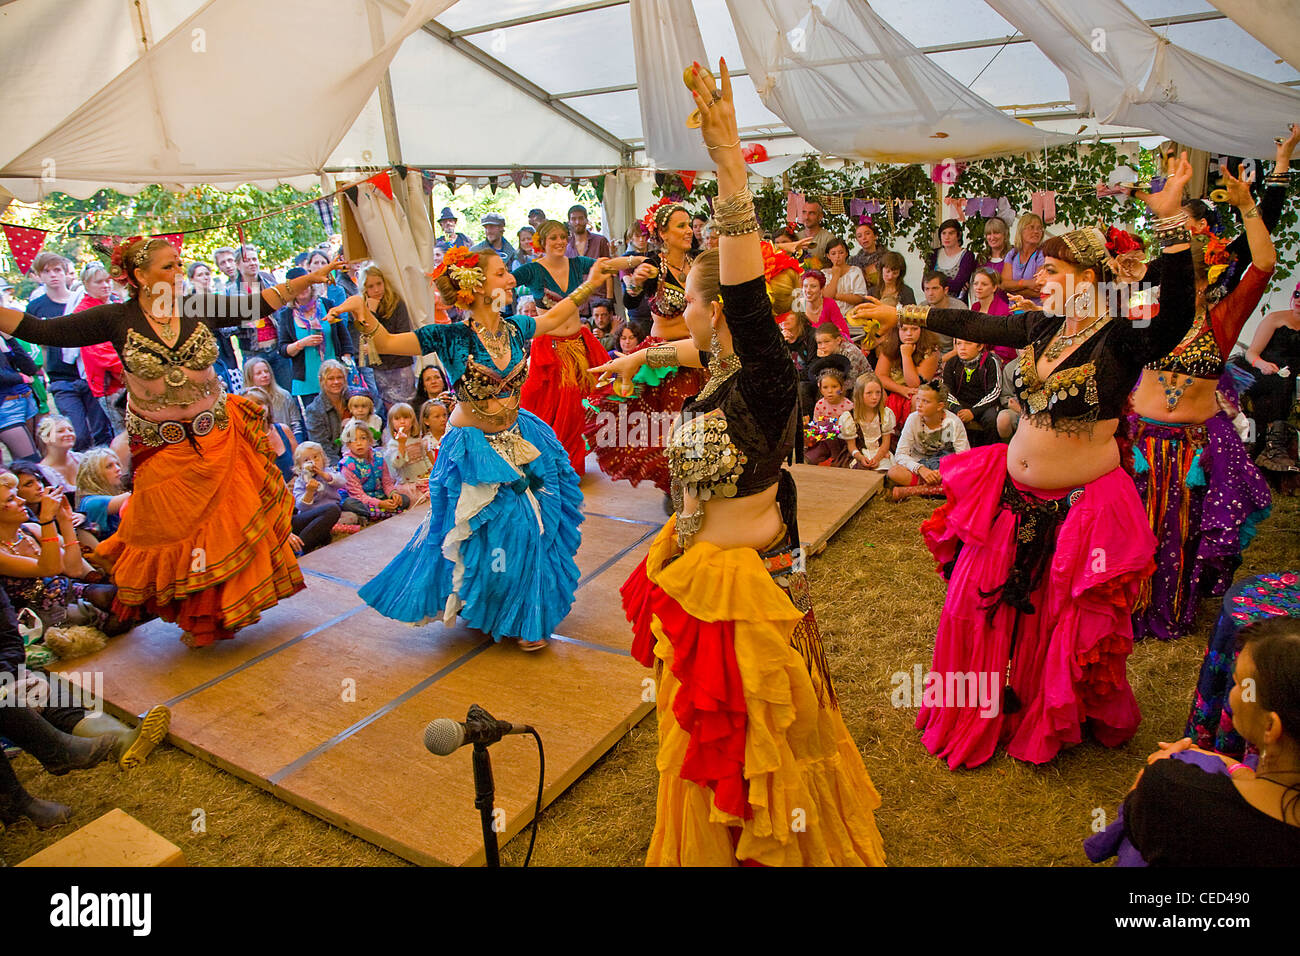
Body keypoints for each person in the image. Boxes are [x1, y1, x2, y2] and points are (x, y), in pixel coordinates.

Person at [591, 60, 886, 865]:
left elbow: (746, 307)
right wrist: (638, 362)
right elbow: (697, 340)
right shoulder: (724, 369)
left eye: (689, 298)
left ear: (719, 306)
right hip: (701, 571)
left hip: (740, 587)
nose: (678, 310)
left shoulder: (761, 368)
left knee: (756, 742)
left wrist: (727, 163)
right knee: (706, 738)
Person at [848, 155, 1198, 769]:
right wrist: (903, 313)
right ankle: (981, 706)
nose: (1042, 278)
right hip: (1011, 496)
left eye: (1055, 269)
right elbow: (978, 321)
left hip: (1081, 510)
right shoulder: (1042, 329)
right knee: (971, 607)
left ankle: (1045, 711)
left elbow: (1176, 315)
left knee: (1055, 624)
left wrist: (1169, 227)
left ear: (1091, 277)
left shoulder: (1120, 337)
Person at [1, 238, 344, 646]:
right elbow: (40, 330)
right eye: (167, 266)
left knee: (223, 527)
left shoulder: (197, 307)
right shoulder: (115, 318)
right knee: (178, 531)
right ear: (138, 276)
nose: (178, 272)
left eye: (179, 264)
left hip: (216, 434)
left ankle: (223, 613)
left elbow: (257, 304)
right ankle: (196, 616)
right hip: (162, 446)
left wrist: (310, 277)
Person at [355, 246, 604, 653]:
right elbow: (386, 341)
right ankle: (497, 607)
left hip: (520, 437)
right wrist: (359, 307)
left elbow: (556, 317)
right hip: (473, 449)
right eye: (502, 272)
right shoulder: (448, 336)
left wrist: (591, 283)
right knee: (504, 528)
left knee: (531, 528)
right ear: (476, 284)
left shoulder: (517, 327)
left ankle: (521, 613)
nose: (510, 278)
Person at [1129, 163, 1275, 642]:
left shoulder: (1223, 318)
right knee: (1129, 531)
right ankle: (1122, 610)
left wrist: (1249, 207)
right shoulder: (1145, 312)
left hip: (1189, 450)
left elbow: (1264, 266)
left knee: (1179, 535)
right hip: (1139, 445)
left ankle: (1169, 608)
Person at [1092, 615, 1300, 866]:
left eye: (1239, 685)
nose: (1232, 693)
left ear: (1271, 726)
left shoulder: (1175, 791)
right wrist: (1231, 765)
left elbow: (1138, 824)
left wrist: (1149, 775)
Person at [584, 199, 706, 497]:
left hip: (700, 352)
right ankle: (675, 486)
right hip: (665, 358)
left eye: (689, 224)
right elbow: (632, 301)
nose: (688, 230)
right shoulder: (652, 265)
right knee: (668, 425)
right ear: (662, 233)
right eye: (681, 226)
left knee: (700, 423)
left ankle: (696, 482)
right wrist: (634, 284)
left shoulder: (700, 262)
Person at [510, 221, 627, 474]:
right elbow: (506, 281)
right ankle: (549, 464)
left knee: (576, 409)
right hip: (550, 348)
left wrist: (636, 260)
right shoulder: (532, 270)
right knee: (547, 407)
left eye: (564, 237)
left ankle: (571, 466)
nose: (561, 242)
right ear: (541, 242)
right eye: (553, 238)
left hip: (577, 344)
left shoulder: (576, 264)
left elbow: (605, 265)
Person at [26, 252, 115, 451]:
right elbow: (37, 347)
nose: (53, 275)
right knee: (78, 434)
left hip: (90, 376)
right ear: (39, 276)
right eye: (46, 271)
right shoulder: (35, 307)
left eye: (57, 270)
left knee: (102, 431)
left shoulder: (81, 301)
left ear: (66, 272)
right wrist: (44, 373)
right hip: (61, 379)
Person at [326, 266, 415, 414]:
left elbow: (400, 334)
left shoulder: (396, 303)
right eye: (371, 286)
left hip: (400, 362)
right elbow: (365, 336)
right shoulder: (362, 306)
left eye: (379, 284)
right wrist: (371, 312)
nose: (376, 289)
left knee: (407, 407)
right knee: (389, 408)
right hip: (379, 365)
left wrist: (377, 335)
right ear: (364, 288)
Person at [277, 266, 354, 428]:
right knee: (320, 423)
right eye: (297, 286)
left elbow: (344, 338)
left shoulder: (327, 304)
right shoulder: (286, 315)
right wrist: (301, 343)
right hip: (308, 379)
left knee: (345, 419)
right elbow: (283, 349)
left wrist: (347, 364)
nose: (303, 289)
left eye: (305, 284)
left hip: (334, 374)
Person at [1237, 284, 1300, 472]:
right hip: (1263, 371)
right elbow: (1252, 353)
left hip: (1291, 377)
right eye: (1297, 294)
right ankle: (1273, 445)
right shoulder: (1275, 318)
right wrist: (1262, 364)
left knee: (1287, 383)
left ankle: (1267, 444)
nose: (1298, 299)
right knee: (1281, 383)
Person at [887, 379, 970, 499]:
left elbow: (963, 456)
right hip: (921, 467)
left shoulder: (953, 422)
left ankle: (915, 491)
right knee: (894, 472)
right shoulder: (913, 419)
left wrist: (942, 472)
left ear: (939, 406)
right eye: (918, 399)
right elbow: (900, 454)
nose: (919, 405)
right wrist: (921, 469)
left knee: (968, 475)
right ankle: (939, 489)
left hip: (946, 468)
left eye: (925, 401)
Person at [74, 264, 128, 435]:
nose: (105, 285)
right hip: (111, 385)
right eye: (99, 282)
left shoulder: (116, 304)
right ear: (86, 283)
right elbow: (100, 354)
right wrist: (137, 369)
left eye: (107, 281)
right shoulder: (84, 314)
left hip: (131, 378)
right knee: (125, 434)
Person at [875, 318, 941, 433]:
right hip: (897, 389)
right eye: (904, 329)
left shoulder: (931, 350)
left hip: (923, 390)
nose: (909, 334)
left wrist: (906, 356)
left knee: (917, 400)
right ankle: (883, 438)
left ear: (922, 330)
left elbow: (915, 384)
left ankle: (914, 438)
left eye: (914, 329)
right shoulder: (890, 345)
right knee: (875, 394)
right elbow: (880, 376)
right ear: (897, 331)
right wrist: (901, 389)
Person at [338, 420, 409, 522]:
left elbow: (387, 482)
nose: (359, 443)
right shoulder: (347, 465)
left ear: (370, 440)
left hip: (380, 496)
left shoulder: (379, 457)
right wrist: (379, 504)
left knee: (404, 499)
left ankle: (378, 513)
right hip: (361, 500)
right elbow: (358, 494)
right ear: (348, 445)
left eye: (363, 438)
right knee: (349, 504)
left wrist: (393, 494)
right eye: (353, 440)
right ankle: (381, 512)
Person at [942, 338, 1004, 447]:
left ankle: (989, 453)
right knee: (947, 415)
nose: (962, 347)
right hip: (959, 404)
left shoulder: (991, 362)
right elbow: (946, 391)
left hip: (984, 405)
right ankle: (948, 453)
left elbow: (995, 391)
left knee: (991, 417)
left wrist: (973, 412)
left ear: (979, 347)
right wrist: (957, 409)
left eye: (968, 343)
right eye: (959, 344)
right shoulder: (951, 363)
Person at [244, 355, 305, 442]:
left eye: (266, 371)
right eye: (259, 373)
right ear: (250, 377)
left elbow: (296, 425)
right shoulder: (244, 402)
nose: (264, 375)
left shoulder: (284, 395)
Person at [0, 333, 40, 463]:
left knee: (26, 465)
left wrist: (10, 339)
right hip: (6, 407)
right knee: (32, 462)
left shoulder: (3, 339)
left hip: (26, 401)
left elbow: (30, 368)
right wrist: (21, 378)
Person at [843, 372, 895, 471]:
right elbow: (851, 446)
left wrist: (877, 458)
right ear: (859, 394)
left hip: (880, 452)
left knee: (885, 472)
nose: (875, 397)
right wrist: (860, 457)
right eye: (869, 393)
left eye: (878, 392)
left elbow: (885, 443)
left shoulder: (885, 414)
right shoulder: (849, 418)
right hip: (860, 453)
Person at [303, 359, 351, 465]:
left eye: (339, 377)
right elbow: (322, 447)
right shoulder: (314, 410)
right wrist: (341, 468)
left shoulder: (354, 397)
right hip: (333, 462)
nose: (336, 382)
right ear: (321, 381)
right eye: (331, 378)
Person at [381, 402, 431, 504]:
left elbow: (424, 457)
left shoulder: (417, 439)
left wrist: (431, 469)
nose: (402, 422)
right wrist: (402, 444)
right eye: (397, 419)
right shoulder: (393, 444)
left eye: (406, 418)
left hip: (424, 481)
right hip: (408, 485)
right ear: (391, 423)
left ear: (412, 420)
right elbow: (397, 464)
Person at [805, 368, 853, 466]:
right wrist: (809, 433)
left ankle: (836, 456)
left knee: (827, 424)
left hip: (843, 441)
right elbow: (816, 425)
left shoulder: (849, 406)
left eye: (834, 387)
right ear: (821, 389)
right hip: (824, 442)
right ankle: (827, 455)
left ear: (842, 388)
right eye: (825, 387)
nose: (830, 391)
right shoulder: (820, 404)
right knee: (810, 459)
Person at [967, 266, 1015, 363]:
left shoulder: (1004, 311)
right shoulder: (975, 307)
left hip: (996, 360)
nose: (978, 287)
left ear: (994, 287)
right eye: (975, 284)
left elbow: (1005, 349)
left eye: (984, 284)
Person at [926, 219, 977, 301]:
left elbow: (958, 285)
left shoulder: (967, 256)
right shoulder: (933, 254)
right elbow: (925, 283)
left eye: (951, 233)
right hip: (934, 303)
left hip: (957, 305)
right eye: (944, 233)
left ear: (959, 235)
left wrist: (935, 283)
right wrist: (949, 280)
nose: (947, 237)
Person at [1001, 212, 1046, 302]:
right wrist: (1027, 283)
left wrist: (1013, 290)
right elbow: (1004, 284)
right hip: (1014, 310)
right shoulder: (1012, 254)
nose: (1036, 231)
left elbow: (1039, 289)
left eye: (1039, 228)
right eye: (1031, 227)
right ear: (1021, 230)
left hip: (1034, 310)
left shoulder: (1043, 255)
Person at [800, 269, 850, 339]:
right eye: (805, 286)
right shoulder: (798, 306)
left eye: (813, 286)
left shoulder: (830, 304)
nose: (808, 290)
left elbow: (844, 333)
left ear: (822, 289)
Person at [822, 238, 868, 312]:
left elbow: (859, 298)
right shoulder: (824, 273)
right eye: (833, 253)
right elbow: (827, 297)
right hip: (829, 316)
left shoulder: (855, 271)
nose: (837, 256)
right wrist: (835, 276)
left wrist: (836, 295)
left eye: (841, 252)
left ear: (846, 253)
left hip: (851, 315)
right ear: (828, 256)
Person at [38, 415, 81, 493]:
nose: (68, 434)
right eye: (60, 431)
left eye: (71, 430)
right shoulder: (43, 473)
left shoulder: (81, 459)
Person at [849, 217, 888, 293]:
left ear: (875, 236)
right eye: (860, 236)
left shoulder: (887, 257)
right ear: (857, 240)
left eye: (867, 233)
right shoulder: (853, 261)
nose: (864, 238)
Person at [799, 198, 835, 263]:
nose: (806, 217)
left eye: (811, 213)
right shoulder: (795, 237)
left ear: (820, 216)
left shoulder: (828, 239)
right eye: (804, 212)